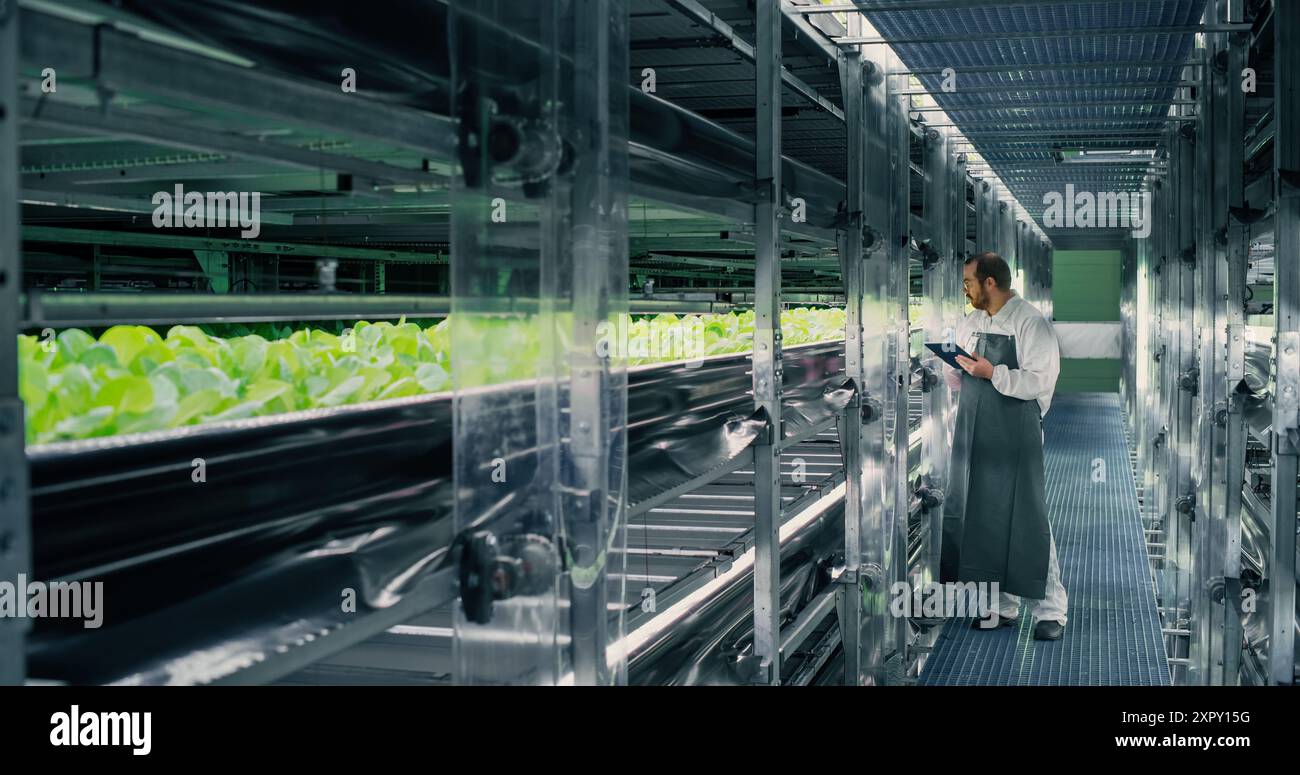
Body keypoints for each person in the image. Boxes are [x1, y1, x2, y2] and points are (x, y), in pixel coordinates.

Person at [941, 251, 1067, 641]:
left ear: (990, 283)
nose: (965, 289)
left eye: (968, 282)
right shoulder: (973, 321)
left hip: (1016, 428)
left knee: (1026, 515)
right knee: (984, 513)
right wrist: (955, 369)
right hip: (976, 427)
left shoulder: (1031, 322)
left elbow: (1038, 382)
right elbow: (956, 371)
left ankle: (1051, 611)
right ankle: (1000, 605)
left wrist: (991, 372)